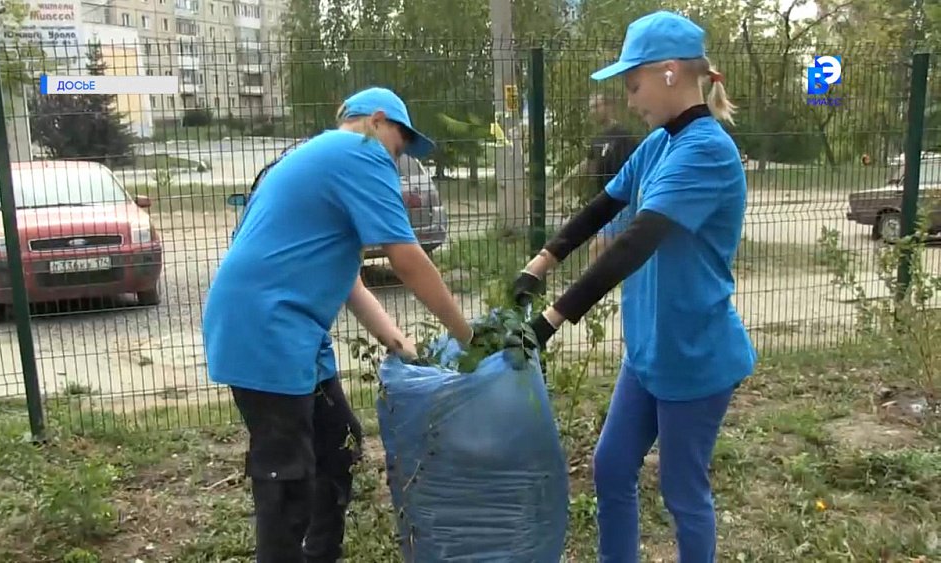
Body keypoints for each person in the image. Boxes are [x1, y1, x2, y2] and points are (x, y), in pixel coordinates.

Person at [511, 11, 757, 563]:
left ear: (669, 72)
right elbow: (603, 208)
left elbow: (637, 241)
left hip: (693, 353)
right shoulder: (658, 144)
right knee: (612, 467)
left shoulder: (706, 151)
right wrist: (540, 263)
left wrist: (550, 320)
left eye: (632, 82)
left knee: (682, 490)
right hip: (649, 348)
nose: (629, 98)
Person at [201, 86, 475, 563]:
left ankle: (321, 554)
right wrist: (466, 336)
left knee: (337, 446)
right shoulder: (361, 150)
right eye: (400, 144)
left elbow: (350, 282)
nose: (398, 158)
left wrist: (399, 343)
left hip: (293, 330)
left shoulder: (320, 158)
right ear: (377, 119)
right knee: (286, 477)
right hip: (266, 327)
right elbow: (407, 258)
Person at [583, 94, 643, 263]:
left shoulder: (623, 136)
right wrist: (561, 186)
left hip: (622, 201)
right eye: (591, 107)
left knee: (598, 248)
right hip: (604, 201)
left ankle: (592, 280)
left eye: (597, 106)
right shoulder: (597, 139)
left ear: (609, 107)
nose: (593, 111)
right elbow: (588, 165)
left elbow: (636, 167)